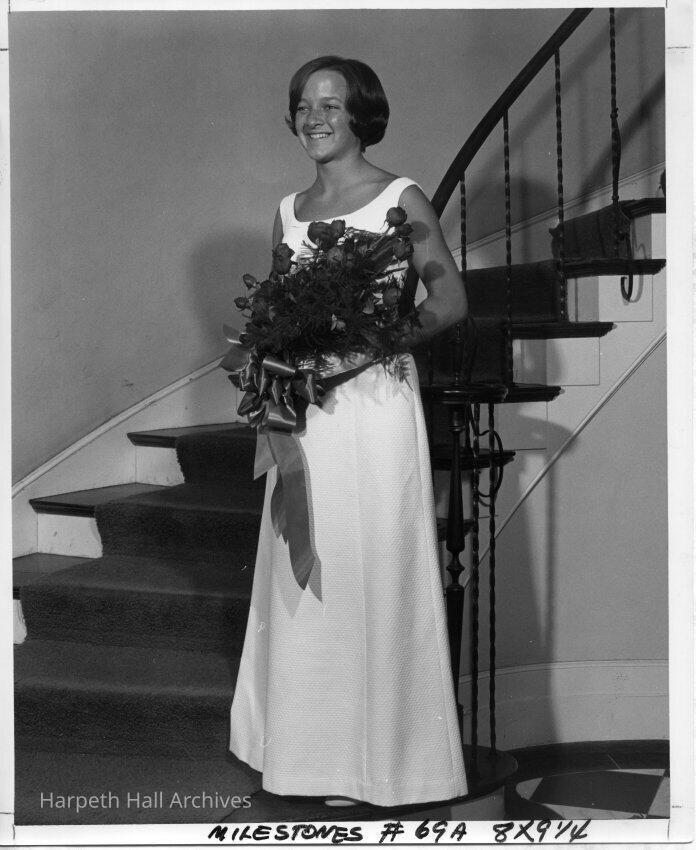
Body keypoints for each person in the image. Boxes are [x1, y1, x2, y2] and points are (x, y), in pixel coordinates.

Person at [229, 55, 468, 808]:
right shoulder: (288, 210)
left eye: (330, 104)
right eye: (304, 105)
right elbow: (274, 316)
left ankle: (381, 766)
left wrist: (366, 348)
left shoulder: (402, 197)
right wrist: (270, 365)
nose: (314, 118)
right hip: (305, 415)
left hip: (374, 407)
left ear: (362, 113)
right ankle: (302, 758)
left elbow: (449, 302)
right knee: (308, 570)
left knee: (374, 570)